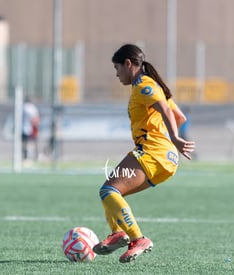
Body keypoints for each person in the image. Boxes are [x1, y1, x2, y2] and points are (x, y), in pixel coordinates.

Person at [92, 44, 195, 263]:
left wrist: (173, 139)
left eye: (117, 67)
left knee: (108, 191)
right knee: (114, 194)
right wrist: (169, 139)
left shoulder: (144, 86)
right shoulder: (152, 85)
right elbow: (180, 116)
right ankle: (117, 233)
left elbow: (167, 111)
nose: (116, 74)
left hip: (152, 152)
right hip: (166, 161)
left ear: (128, 64)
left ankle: (137, 238)